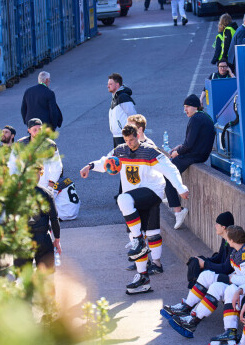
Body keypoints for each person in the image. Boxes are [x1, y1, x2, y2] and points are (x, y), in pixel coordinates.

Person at [80, 125, 188, 294]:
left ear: (138, 135)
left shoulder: (149, 151)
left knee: (129, 208)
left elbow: (170, 168)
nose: (129, 143)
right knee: (137, 233)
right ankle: (143, 278)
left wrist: (180, 187)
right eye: (126, 140)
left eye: (132, 139)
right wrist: (90, 166)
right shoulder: (120, 151)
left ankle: (147, 251)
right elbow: (105, 162)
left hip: (152, 192)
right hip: (134, 198)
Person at [165, 226, 245, 340]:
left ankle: (230, 332)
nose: (226, 240)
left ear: (232, 240)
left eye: (227, 238)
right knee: (212, 283)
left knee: (229, 290)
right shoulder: (237, 250)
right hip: (237, 282)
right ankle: (191, 320)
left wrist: (230, 279)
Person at [167, 94, 216, 229]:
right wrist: (180, 147)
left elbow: (188, 145)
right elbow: (191, 142)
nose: (185, 110)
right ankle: (171, 196)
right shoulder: (204, 116)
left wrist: (177, 151)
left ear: (195, 106)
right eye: (184, 107)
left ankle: (178, 211)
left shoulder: (195, 119)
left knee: (169, 172)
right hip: (201, 154)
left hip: (195, 156)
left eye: (187, 106)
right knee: (171, 172)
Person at [13, 178, 61, 273]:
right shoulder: (46, 193)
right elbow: (54, 219)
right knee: (46, 277)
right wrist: (57, 239)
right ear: (40, 174)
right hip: (42, 238)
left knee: (22, 278)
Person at [185, 211, 235, 289]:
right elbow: (219, 257)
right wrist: (202, 260)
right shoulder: (224, 239)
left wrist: (205, 264)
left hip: (225, 274)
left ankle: (194, 290)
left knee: (202, 270)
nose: (215, 226)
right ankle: (193, 289)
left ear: (223, 227)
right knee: (195, 260)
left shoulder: (232, 243)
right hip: (221, 266)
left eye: (217, 224)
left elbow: (226, 268)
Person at [15, 118, 63, 190]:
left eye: (40, 129)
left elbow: (57, 166)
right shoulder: (20, 144)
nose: (38, 132)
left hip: (44, 185)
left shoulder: (50, 145)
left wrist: (50, 186)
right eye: (35, 130)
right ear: (29, 130)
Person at [108, 73, 136, 149]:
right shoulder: (115, 98)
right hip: (117, 136)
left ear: (117, 85)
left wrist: (132, 133)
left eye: (110, 84)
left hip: (124, 136)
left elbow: (133, 115)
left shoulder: (123, 97)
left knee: (125, 160)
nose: (108, 86)